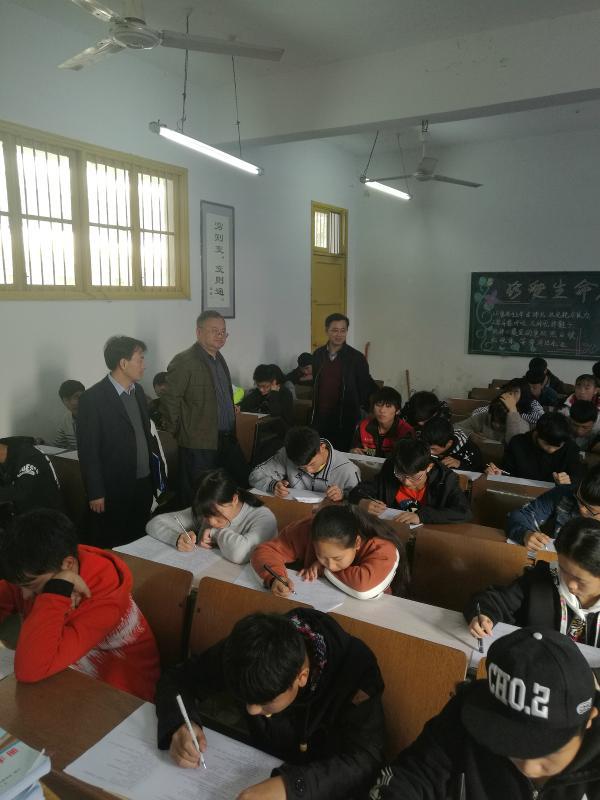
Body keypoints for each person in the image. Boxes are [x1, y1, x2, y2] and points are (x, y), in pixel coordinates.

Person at [156, 608, 385, 800]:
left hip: (316, 783)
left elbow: (364, 760)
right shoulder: (248, 650)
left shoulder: (355, 670)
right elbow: (178, 678)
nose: (251, 710)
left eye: (265, 701)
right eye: (245, 699)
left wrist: (290, 787)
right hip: (254, 765)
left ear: (301, 677)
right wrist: (180, 723)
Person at [366, 626, 600, 800]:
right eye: (511, 745)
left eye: (548, 753)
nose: (528, 768)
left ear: (589, 718)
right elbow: (416, 774)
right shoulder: (469, 713)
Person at [0, 509, 160, 701]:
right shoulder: (37, 567)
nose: (24, 595)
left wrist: (57, 590)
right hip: (66, 676)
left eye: (31, 586)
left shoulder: (105, 599)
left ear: (68, 565)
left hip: (121, 694)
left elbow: (30, 669)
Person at [77, 336, 162, 548]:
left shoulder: (138, 392)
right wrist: (95, 492)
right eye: (140, 359)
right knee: (114, 542)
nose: (144, 365)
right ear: (123, 363)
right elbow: (88, 451)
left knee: (139, 540)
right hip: (113, 487)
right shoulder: (93, 399)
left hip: (143, 482)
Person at [466, 517, 600, 646]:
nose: (570, 584)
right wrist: (484, 615)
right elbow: (496, 600)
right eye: (563, 570)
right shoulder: (541, 578)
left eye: (580, 580)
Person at [160, 311, 249, 505]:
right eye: (214, 331)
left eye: (223, 332)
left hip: (226, 438)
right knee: (197, 495)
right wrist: (179, 431)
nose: (220, 335)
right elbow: (170, 400)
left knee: (232, 489)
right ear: (198, 332)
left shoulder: (218, 358)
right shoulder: (185, 361)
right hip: (198, 443)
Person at [251, 503, 409, 600]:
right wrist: (275, 578)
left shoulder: (382, 547)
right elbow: (265, 551)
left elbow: (364, 589)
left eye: (337, 558)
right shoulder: (307, 529)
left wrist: (323, 569)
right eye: (321, 557)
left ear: (357, 543)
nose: (331, 565)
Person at [146, 468, 277, 563]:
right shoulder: (207, 509)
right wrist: (176, 538)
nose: (212, 522)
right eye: (206, 515)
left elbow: (240, 554)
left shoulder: (264, 518)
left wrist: (214, 533)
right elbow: (154, 524)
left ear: (234, 499)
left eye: (217, 514)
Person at [349, 438, 472, 525]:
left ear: (429, 467)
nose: (406, 482)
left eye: (414, 477)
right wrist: (362, 501)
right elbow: (360, 490)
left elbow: (464, 512)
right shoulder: (391, 469)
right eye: (400, 475)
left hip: (427, 536)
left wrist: (421, 517)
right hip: (394, 529)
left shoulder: (445, 479)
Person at [310, 314, 377, 451]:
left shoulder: (356, 358)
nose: (339, 335)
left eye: (343, 330)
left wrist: (360, 409)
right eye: (335, 330)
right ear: (326, 330)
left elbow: (365, 386)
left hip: (345, 418)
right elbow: (316, 382)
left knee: (342, 454)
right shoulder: (318, 355)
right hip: (321, 415)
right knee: (321, 453)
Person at [249, 425, 360, 501]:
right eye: (301, 467)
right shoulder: (286, 454)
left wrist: (343, 495)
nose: (309, 471)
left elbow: (360, 502)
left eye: (312, 464)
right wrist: (272, 485)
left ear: (322, 447)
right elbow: (255, 475)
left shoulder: (348, 470)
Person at [506, 462, 600, 550]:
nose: (581, 509)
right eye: (579, 499)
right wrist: (525, 534)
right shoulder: (565, 493)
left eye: (590, 509)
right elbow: (519, 516)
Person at [486, 412, 583, 485]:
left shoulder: (570, 448)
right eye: (546, 444)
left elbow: (577, 476)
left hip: (553, 497)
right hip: (521, 491)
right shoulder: (518, 443)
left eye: (557, 446)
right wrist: (498, 474)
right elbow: (508, 471)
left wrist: (569, 480)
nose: (551, 450)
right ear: (536, 433)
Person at [458, 379, 543, 444]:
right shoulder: (495, 407)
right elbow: (478, 413)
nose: (510, 395)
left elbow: (516, 445)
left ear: (524, 395)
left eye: (515, 392)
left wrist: (512, 411)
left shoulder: (527, 417)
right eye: (509, 391)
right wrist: (471, 433)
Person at [0, 436, 62, 516]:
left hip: (48, 517)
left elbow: (21, 491)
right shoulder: (4, 460)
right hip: (22, 515)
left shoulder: (30, 456)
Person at [351, 387, 413, 458]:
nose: (382, 410)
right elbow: (357, 449)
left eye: (388, 406)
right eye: (378, 405)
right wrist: (353, 451)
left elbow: (406, 459)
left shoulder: (406, 431)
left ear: (398, 411)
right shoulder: (363, 426)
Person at [420, 417, 485, 472]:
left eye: (433, 449)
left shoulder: (470, 450)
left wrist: (460, 465)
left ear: (449, 443)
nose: (429, 451)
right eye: (426, 446)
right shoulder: (424, 440)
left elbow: (480, 471)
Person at [55, 379, 85, 449]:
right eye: (67, 399)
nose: (73, 403)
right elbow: (57, 447)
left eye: (77, 397)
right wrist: (41, 443)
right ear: (63, 402)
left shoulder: (100, 416)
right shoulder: (66, 419)